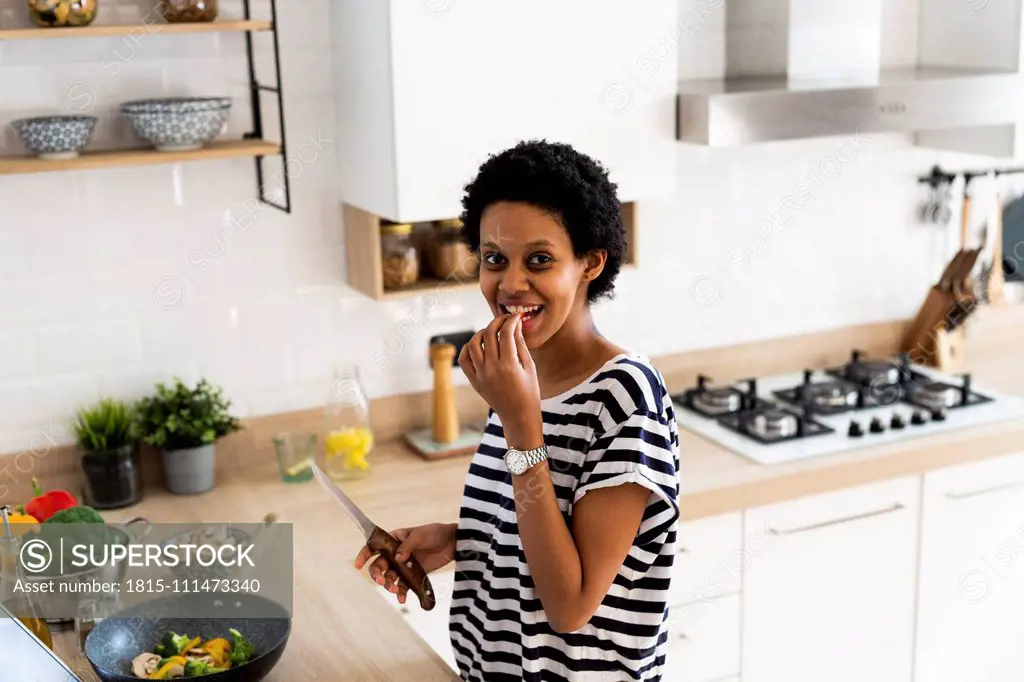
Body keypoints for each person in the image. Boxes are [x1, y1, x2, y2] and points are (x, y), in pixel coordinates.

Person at [354, 139, 681, 681]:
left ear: (590, 263)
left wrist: (521, 424)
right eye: (493, 259)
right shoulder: (522, 377)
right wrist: (464, 538)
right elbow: (544, 523)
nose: (509, 283)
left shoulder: (626, 396)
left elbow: (570, 606)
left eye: (540, 260)